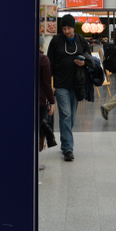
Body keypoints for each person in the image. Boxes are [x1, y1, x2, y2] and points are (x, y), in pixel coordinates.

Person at [47, 14, 89, 162]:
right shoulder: (56, 41)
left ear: (73, 27)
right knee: (65, 114)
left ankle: (65, 142)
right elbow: (49, 63)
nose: (66, 31)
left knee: (71, 115)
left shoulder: (81, 41)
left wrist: (84, 63)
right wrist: (49, 84)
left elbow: (89, 58)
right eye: (64, 28)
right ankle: (68, 148)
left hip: (77, 84)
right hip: (61, 84)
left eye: (69, 28)